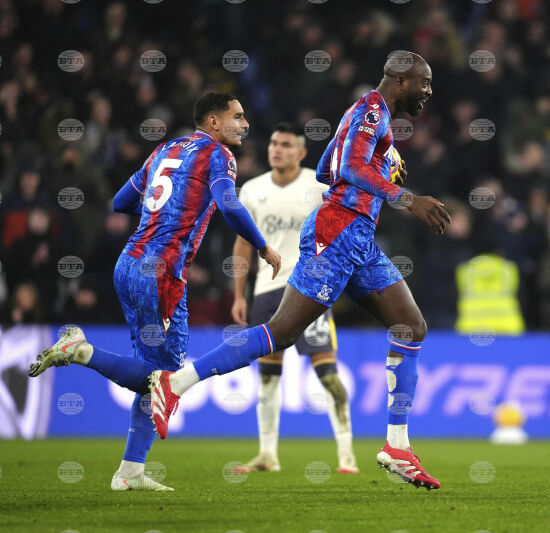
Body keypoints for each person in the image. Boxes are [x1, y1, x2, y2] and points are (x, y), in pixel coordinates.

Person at [148, 51, 450, 490]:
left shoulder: (370, 115)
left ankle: (397, 447)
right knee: (282, 332)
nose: (429, 91)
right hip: (337, 232)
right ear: (401, 81)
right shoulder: (371, 111)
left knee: (411, 326)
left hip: (358, 238)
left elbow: (326, 169)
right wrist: (405, 198)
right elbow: (347, 167)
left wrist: (383, 164)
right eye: (424, 83)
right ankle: (175, 382)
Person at [28, 93, 280, 492]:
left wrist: (159, 212)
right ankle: (81, 351)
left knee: (153, 373)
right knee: (167, 378)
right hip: (161, 274)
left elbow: (120, 201)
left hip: (128, 264)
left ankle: (129, 472)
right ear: (214, 122)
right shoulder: (218, 154)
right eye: (237, 116)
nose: (244, 124)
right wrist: (263, 246)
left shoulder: (166, 149)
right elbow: (229, 206)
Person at [230, 123, 358, 474]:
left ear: (301, 153)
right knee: (268, 376)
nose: (277, 149)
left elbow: (341, 233)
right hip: (265, 293)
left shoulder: (318, 188)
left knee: (328, 375)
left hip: (308, 291)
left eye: (286, 145)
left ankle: (347, 455)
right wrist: (239, 294)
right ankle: (267, 454)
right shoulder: (252, 190)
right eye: (274, 142)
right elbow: (243, 244)